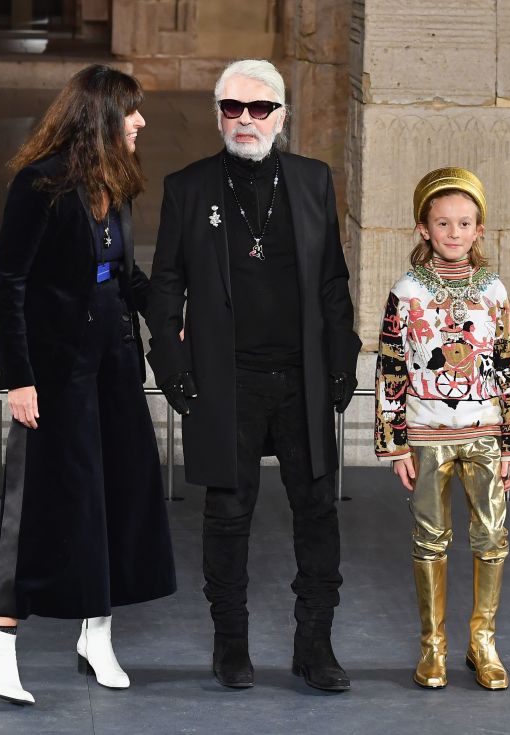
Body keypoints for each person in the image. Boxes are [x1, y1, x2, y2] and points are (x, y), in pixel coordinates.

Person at [145, 59, 361, 691]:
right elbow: (165, 287)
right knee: (228, 512)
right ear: (218, 115)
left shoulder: (312, 180)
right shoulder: (188, 188)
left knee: (318, 510)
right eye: (233, 108)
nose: (246, 119)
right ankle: (230, 646)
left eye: (259, 109)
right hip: (226, 379)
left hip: (301, 377)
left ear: (281, 117)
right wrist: (173, 367)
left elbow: (332, 281)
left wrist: (342, 358)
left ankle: (314, 647)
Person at [0, 64, 176, 706]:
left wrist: (174, 315)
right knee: (38, 507)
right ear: (99, 117)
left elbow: (120, 274)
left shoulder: (118, 182)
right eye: (130, 110)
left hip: (114, 366)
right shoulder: (40, 184)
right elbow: (11, 285)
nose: (140, 121)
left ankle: (97, 633)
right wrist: (18, 380)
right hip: (56, 376)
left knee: (114, 498)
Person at [374, 167, 510, 691]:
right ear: (423, 228)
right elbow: (390, 366)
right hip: (427, 433)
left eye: (464, 223)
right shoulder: (407, 290)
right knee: (430, 539)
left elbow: (508, 363)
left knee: (491, 536)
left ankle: (482, 641)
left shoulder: (494, 291)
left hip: (483, 432)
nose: (454, 233)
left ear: (479, 229)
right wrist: (395, 445)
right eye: (443, 223)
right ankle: (432, 646)